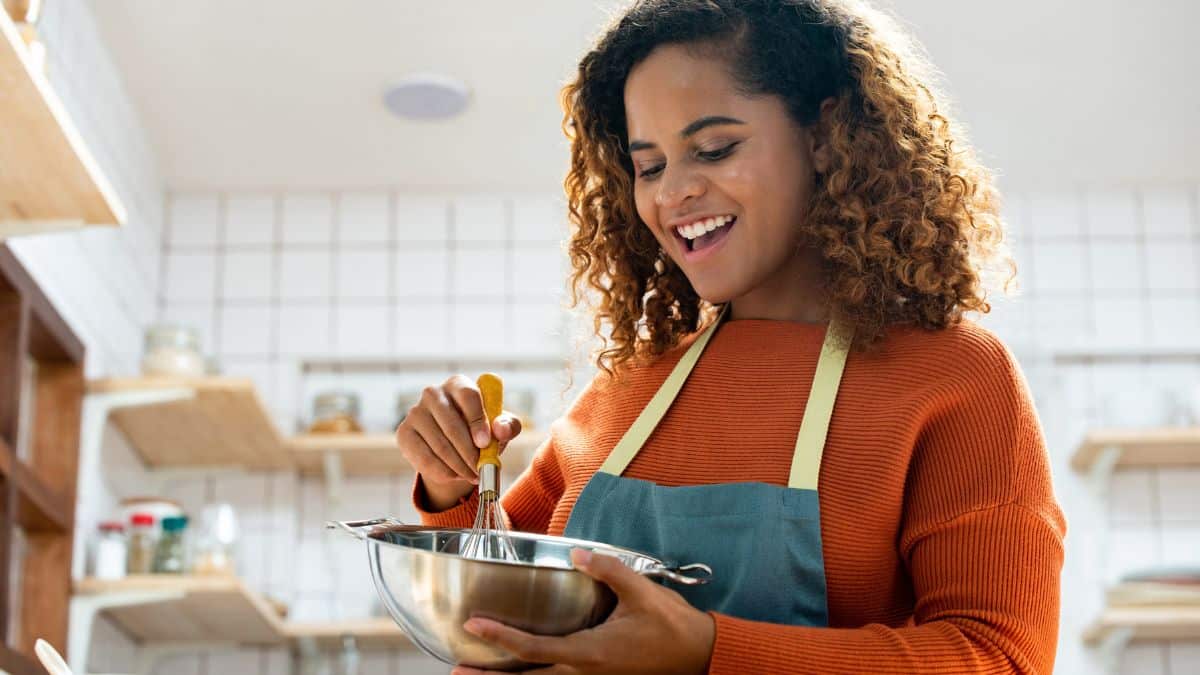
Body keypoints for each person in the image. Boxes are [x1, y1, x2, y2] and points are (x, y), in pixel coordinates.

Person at [394, 1, 1066, 672]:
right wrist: (453, 485)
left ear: (826, 135)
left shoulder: (952, 376)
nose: (674, 193)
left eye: (714, 148)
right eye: (649, 166)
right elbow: (504, 593)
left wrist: (707, 649)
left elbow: (1001, 655)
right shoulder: (629, 386)